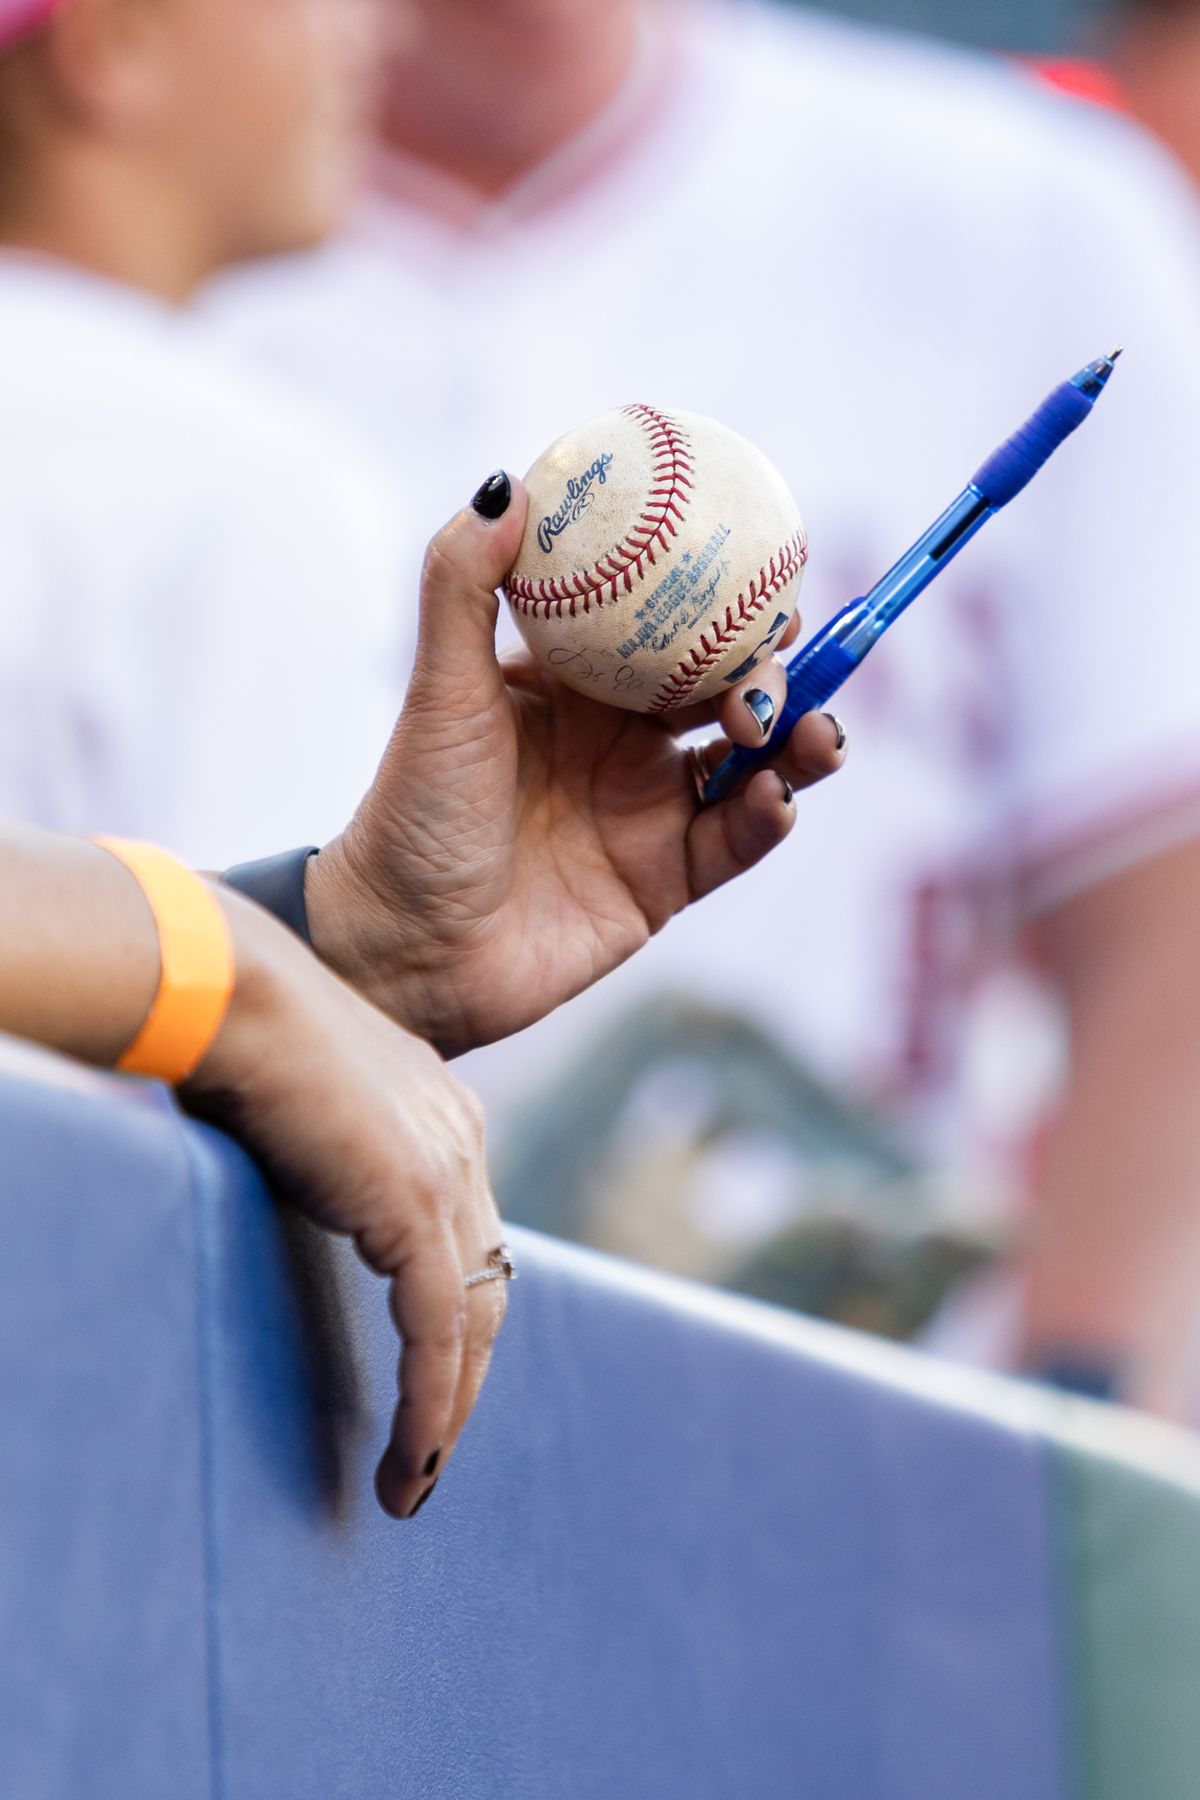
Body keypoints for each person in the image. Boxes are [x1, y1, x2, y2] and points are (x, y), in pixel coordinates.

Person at [211, 0, 1200, 1414]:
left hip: (873, 1422)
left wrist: (1078, 1424)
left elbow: (1166, 918)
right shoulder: (138, 220)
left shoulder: (1032, 211)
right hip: (274, 1392)